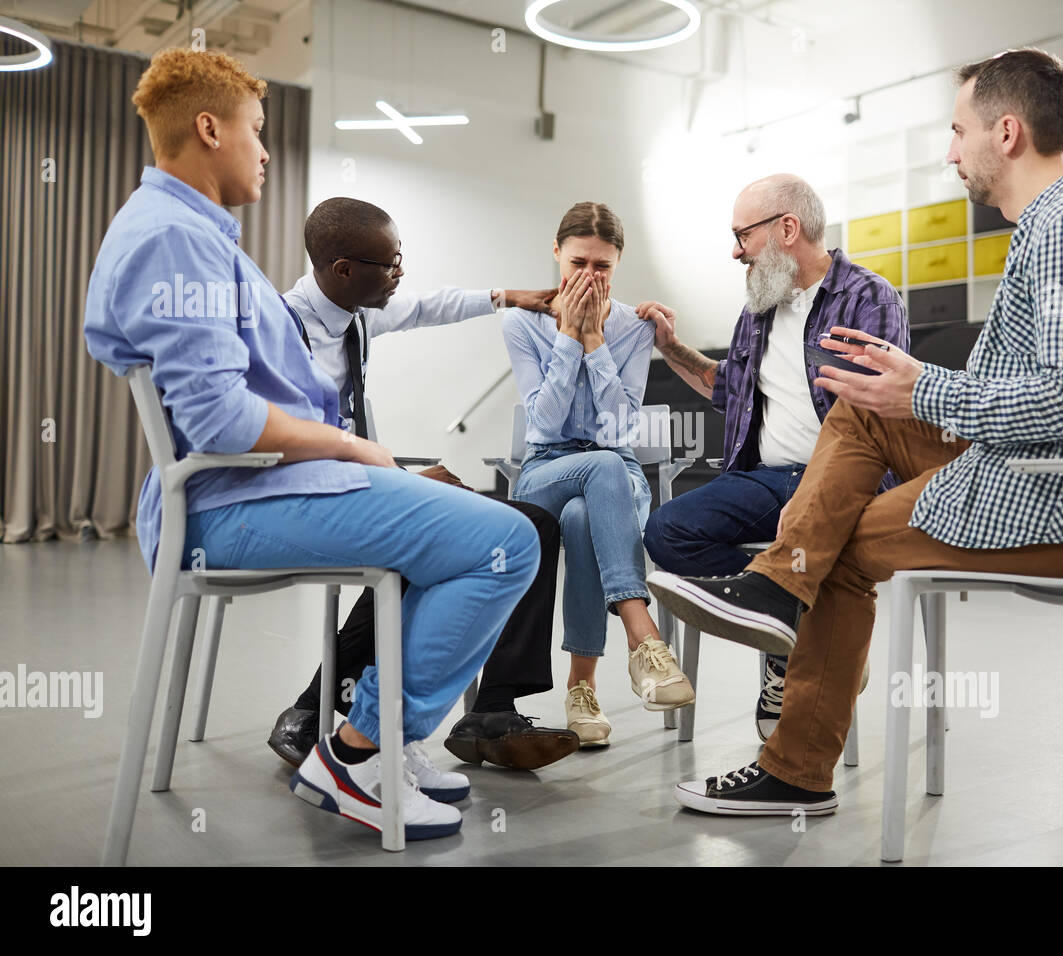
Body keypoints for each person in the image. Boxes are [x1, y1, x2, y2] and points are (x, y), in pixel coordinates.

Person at [649, 48, 1063, 815]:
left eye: (959, 129)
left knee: (842, 544)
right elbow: (1049, 395)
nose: (950, 149)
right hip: (1036, 469)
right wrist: (907, 387)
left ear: (1006, 132)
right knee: (864, 404)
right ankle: (775, 588)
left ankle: (794, 765)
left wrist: (928, 387)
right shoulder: (1057, 223)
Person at [84, 48, 539, 840]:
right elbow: (222, 419)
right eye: (256, 131)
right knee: (506, 542)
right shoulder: (173, 240)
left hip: (256, 487)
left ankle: (378, 741)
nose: (265, 150)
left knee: (466, 535)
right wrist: (352, 446)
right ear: (207, 128)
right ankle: (359, 753)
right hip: (231, 501)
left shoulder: (194, 233)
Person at [264, 197, 578, 773]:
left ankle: (488, 705)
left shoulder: (353, 312)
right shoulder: (281, 330)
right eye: (389, 264)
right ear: (343, 269)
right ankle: (347, 715)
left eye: (400, 258)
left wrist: (510, 297)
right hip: (310, 500)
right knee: (457, 541)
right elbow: (294, 445)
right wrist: (399, 478)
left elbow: (428, 308)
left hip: (363, 486)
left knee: (534, 523)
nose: (399, 273)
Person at [637, 173, 908, 741]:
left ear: (788, 229)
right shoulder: (758, 311)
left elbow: (873, 414)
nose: (736, 251)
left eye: (743, 235)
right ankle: (793, 624)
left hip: (848, 479)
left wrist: (815, 498)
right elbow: (725, 388)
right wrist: (670, 348)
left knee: (811, 525)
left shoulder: (868, 297)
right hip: (766, 479)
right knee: (667, 529)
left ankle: (786, 626)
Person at [501, 202, 695, 748]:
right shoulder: (521, 321)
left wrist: (596, 342)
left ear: (618, 265)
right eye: (578, 262)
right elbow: (542, 423)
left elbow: (619, 429)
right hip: (545, 471)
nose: (589, 277)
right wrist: (568, 335)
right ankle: (644, 638)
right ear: (556, 254)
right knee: (597, 471)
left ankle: (580, 691)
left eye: (603, 267)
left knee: (591, 509)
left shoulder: (635, 327)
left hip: (616, 471)